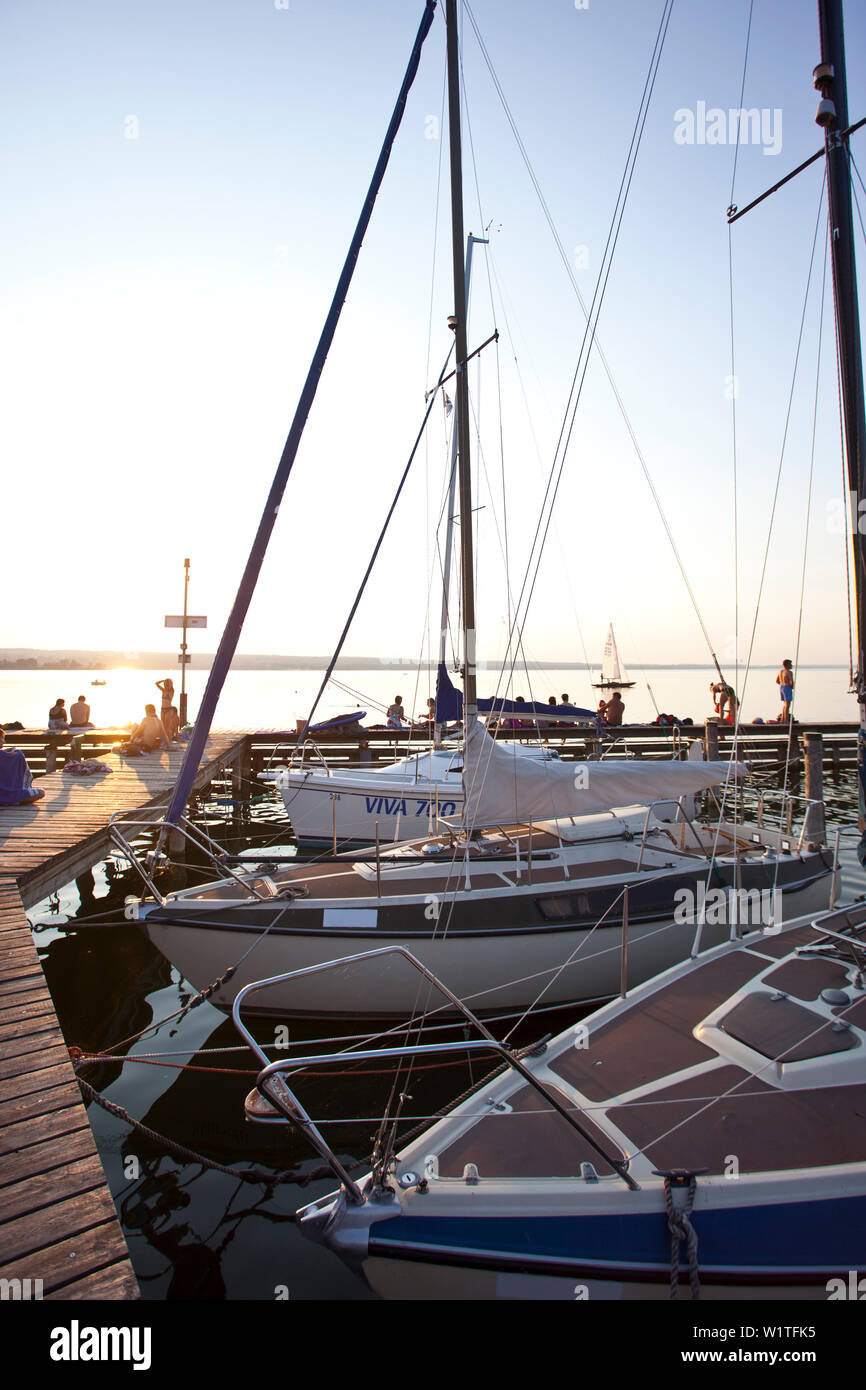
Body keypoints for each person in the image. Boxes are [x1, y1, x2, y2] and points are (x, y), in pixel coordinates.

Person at [0, 729, 44, 804]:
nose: (4, 742)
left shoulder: (3, 754)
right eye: (2, 738)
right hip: (6, 794)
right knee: (41, 792)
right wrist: (16, 752)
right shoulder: (4, 755)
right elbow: (17, 755)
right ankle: (14, 800)